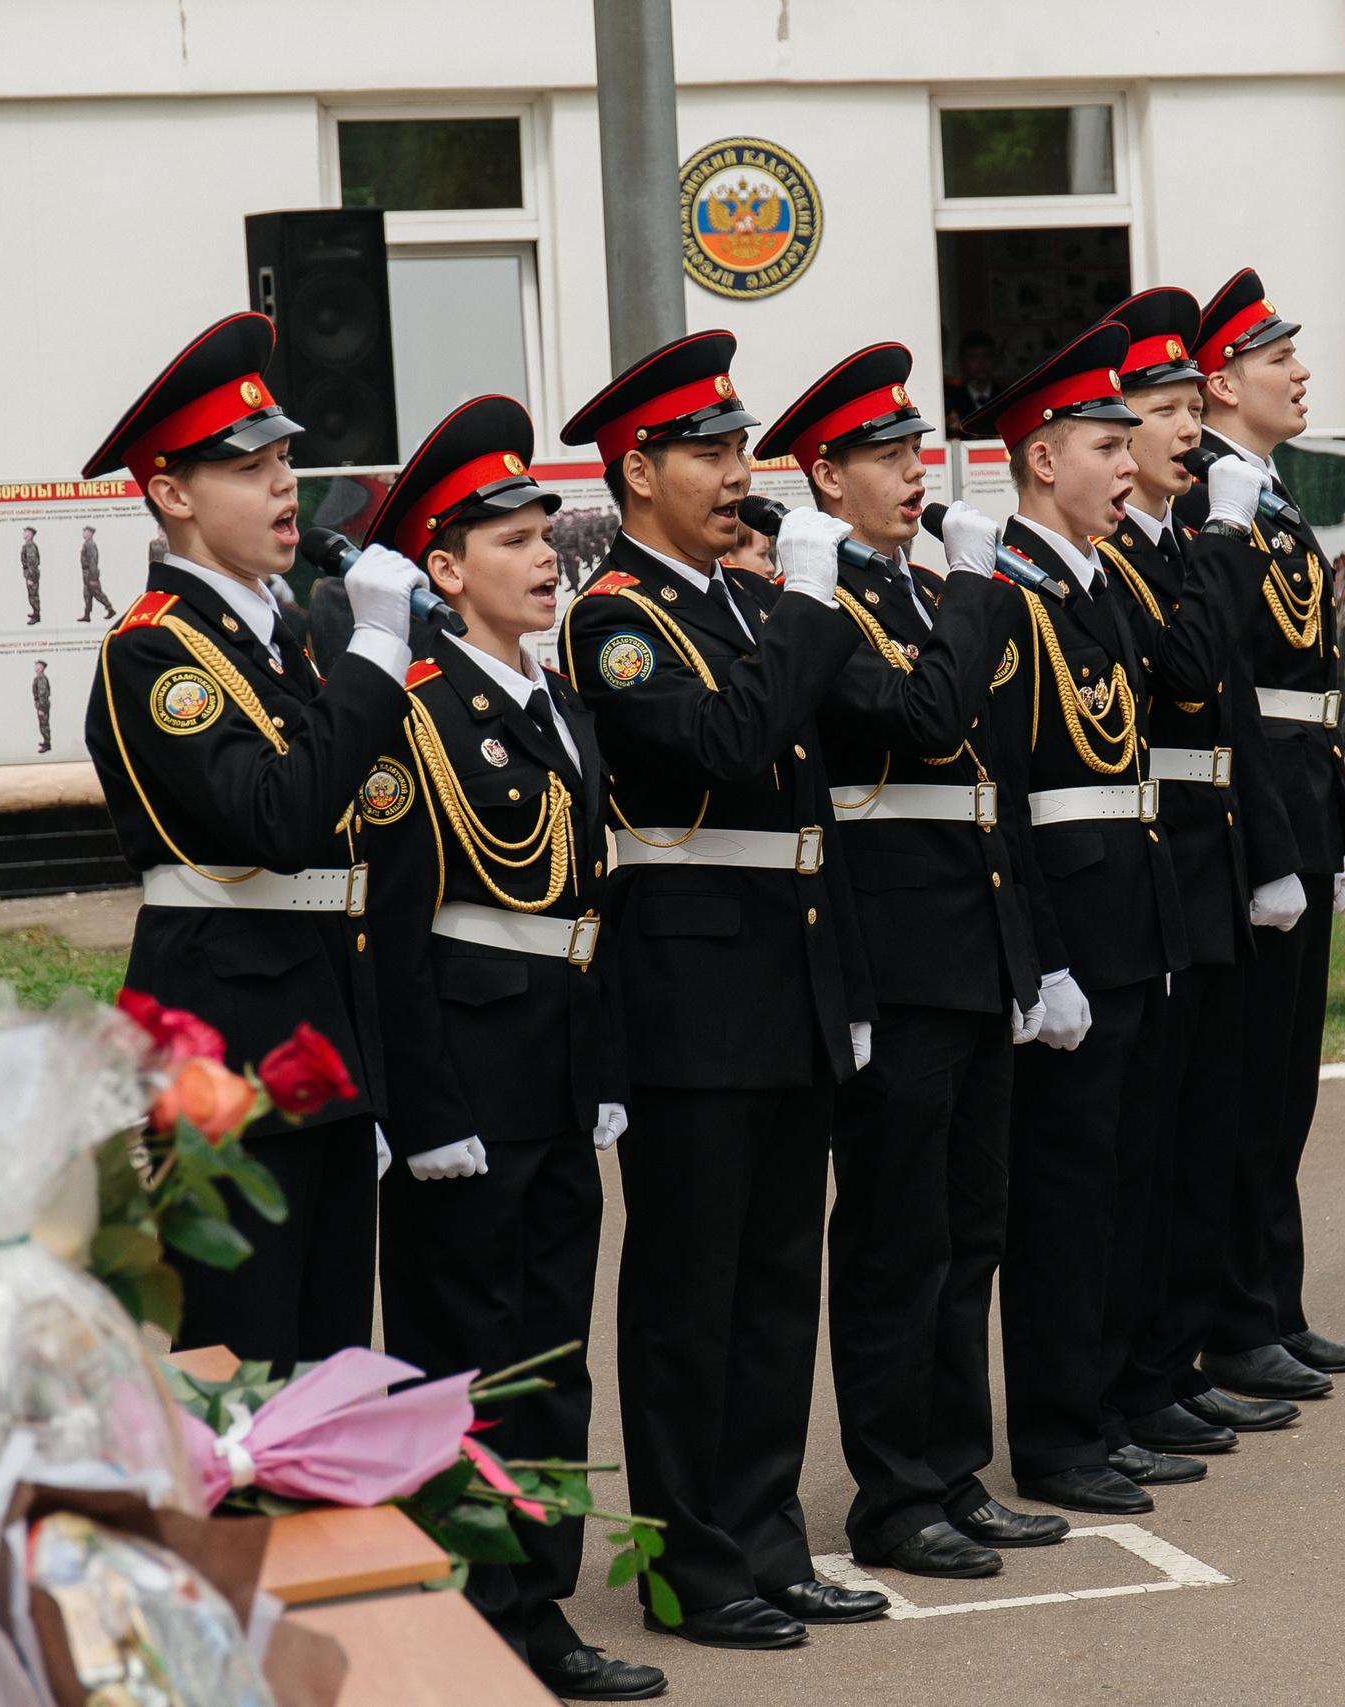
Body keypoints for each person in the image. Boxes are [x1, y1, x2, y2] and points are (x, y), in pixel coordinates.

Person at [557, 330, 883, 1649]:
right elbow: (734, 744)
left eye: (741, 446)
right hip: (691, 993)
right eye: (709, 450)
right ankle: (692, 1558)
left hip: (786, 971)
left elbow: (825, 781)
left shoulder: (750, 601)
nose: (739, 472)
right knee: (690, 1295)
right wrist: (803, 606)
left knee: (772, 1282)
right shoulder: (615, 620)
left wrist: (843, 975)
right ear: (638, 469)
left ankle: (766, 1533)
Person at [358, 395, 664, 1703]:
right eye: (507, 536)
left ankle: (536, 1606)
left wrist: (599, 1077)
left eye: (546, 530)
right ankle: (459, 1615)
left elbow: (583, 903)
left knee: (548, 1359)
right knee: (459, 1365)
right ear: (441, 568)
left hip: (551, 1072)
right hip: (467, 1084)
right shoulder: (413, 713)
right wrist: (422, 1109)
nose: (543, 556)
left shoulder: (552, 701)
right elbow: (393, 929)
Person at [751, 344, 1060, 1578]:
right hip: (894, 951)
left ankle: (953, 1467)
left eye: (914, 452)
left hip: (969, 941)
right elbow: (928, 720)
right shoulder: (827, 606)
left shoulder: (924, 595)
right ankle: (893, 1493)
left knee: (969, 1227)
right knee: (896, 1238)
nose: (913, 476)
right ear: (825, 478)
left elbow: (994, 775)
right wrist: (981, 593)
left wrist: (1027, 951)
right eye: (885, 458)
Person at [80, 311, 425, 1366]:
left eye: (286, 460)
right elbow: (275, 821)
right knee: (239, 1376)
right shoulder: (156, 656)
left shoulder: (280, 642)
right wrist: (372, 652)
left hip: (318, 1037)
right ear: (172, 494)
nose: (285, 485)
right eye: (250, 466)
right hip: (223, 1051)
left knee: (322, 1372)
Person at [974, 321, 1192, 1515]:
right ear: (1041, 458)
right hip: (1072, 932)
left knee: (1121, 1183)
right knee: (1060, 1201)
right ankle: (1058, 1437)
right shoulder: (1007, 597)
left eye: (1127, 443)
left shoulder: (1097, 581)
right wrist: (1041, 960)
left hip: (1133, 918)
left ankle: (1104, 1405)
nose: (1130, 465)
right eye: (1108, 444)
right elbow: (1004, 795)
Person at [1090, 289, 1312, 1464]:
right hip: (1163, 847)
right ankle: (1157, 1365)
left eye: (1187, 406)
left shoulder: (1171, 538)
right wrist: (1220, 546)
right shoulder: (1140, 548)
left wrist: (1271, 847)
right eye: (1163, 409)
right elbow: (1196, 672)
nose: (1183, 431)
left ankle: (1178, 1357)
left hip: (1220, 831)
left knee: (1216, 1115)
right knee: (1160, 1143)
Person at [1173, 270, 1345, 1404]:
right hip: (1254, 806)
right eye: (1277, 361)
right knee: (1248, 1083)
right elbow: (1237, 684)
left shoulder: (1265, 490)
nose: (1302, 373)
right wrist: (1270, 830)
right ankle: (1235, 1316)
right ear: (1220, 384)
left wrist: (1332, 824)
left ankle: (1274, 1305)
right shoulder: (1211, 491)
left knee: (1286, 1084)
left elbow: (1310, 681)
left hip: (1299, 795)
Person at [943, 330, 999, 436]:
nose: (981, 362)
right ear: (961, 362)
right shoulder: (950, 399)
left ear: (994, 360)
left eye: (986, 356)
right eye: (973, 357)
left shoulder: (1006, 396)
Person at [80, 523, 116, 621]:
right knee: (87, 594)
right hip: (86, 573)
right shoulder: (87, 544)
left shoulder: (90, 545)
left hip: (90, 573)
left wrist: (93, 578)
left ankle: (110, 609)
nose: (83, 533)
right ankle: (87, 615)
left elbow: (93, 561)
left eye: (85, 531)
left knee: (97, 594)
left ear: (90, 533)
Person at [22, 526, 43, 625]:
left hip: (32, 574)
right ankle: (35, 612)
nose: (24, 533)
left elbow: (32, 563)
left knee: (33, 595)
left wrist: (31, 578)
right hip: (31, 573)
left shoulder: (30, 546)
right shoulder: (27, 545)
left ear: (30, 534)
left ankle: (37, 616)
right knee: (32, 595)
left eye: (26, 532)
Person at [32, 659, 53, 753]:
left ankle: (47, 744)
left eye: (37, 665)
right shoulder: (39, 677)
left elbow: (43, 694)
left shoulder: (41, 678)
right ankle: (46, 741)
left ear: (41, 667)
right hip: (41, 705)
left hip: (42, 705)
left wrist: (41, 708)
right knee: (43, 725)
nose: (35, 667)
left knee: (44, 725)